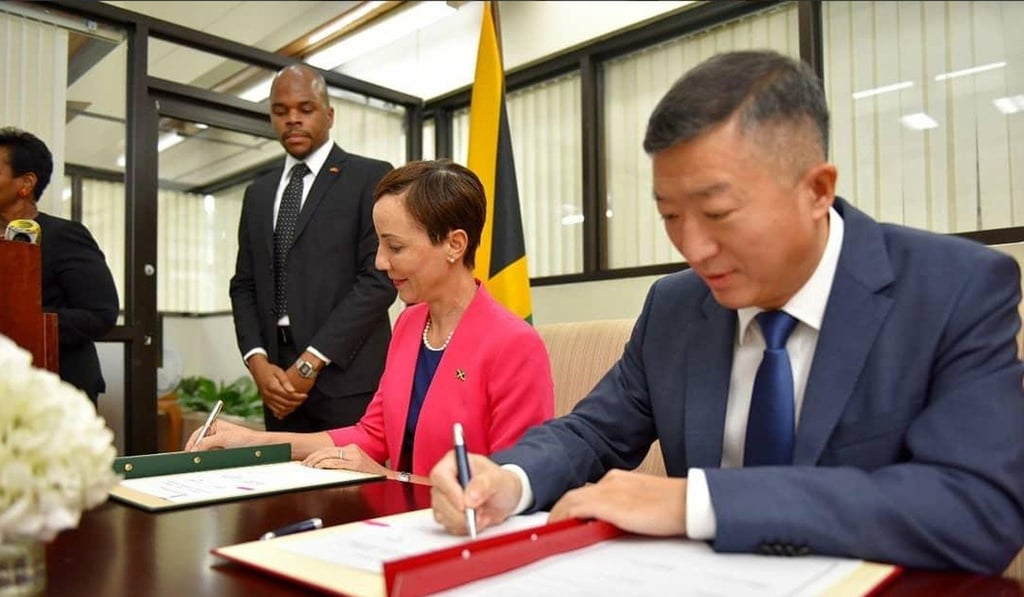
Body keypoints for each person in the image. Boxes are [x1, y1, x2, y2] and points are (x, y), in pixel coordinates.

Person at [430, 50, 1024, 574]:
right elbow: (593, 432)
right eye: (670, 216)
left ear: (817, 190)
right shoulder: (675, 305)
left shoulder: (953, 290)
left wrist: (699, 502)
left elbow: (979, 507)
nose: (693, 248)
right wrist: (509, 479)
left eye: (718, 214)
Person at [189, 160, 554, 482]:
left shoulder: (514, 344)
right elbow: (372, 435)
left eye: (395, 247)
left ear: (454, 245)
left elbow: (509, 484)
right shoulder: (410, 324)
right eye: (379, 244)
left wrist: (390, 477)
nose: (380, 261)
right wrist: (252, 441)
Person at [230, 64, 397, 432]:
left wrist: (311, 361)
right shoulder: (258, 194)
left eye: (305, 109)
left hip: (346, 377)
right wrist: (257, 361)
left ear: (329, 114)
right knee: (283, 471)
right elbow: (244, 285)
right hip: (277, 382)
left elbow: (378, 279)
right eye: (280, 111)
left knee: (346, 472)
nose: (292, 119)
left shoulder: (369, 177)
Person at [0, 127, 119, 404]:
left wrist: (25, 323)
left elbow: (100, 314)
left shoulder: (64, 236)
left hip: (58, 391)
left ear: (26, 183)